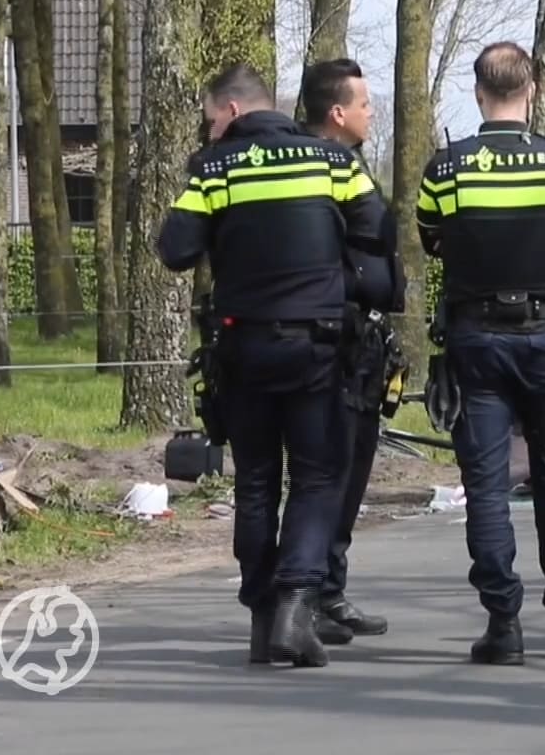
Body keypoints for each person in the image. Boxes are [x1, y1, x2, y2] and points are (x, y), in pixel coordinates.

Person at [156, 62, 390, 669]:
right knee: (316, 477)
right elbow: (377, 232)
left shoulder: (212, 170)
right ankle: (295, 603)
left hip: (242, 345)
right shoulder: (333, 163)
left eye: (210, 120)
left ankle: (264, 617)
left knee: (256, 481)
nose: (209, 132)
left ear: (232, 111)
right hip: (316, 344)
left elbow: (176, 250)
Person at [414, 41, 545, 666]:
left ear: (477, 92)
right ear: (533, 92)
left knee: (487, 487)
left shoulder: (446, 170)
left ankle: (504, 625)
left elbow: (429, 238)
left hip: (478, 339)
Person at [297, 57, 405, 645]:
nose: (371, 113)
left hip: (360, 339)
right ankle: (307, 593)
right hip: (330, 340)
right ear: (337, 113)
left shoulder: (353, 164)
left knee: (351, 469)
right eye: (364, 104)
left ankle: (328, 590)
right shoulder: (321, 170)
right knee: (328, 471)